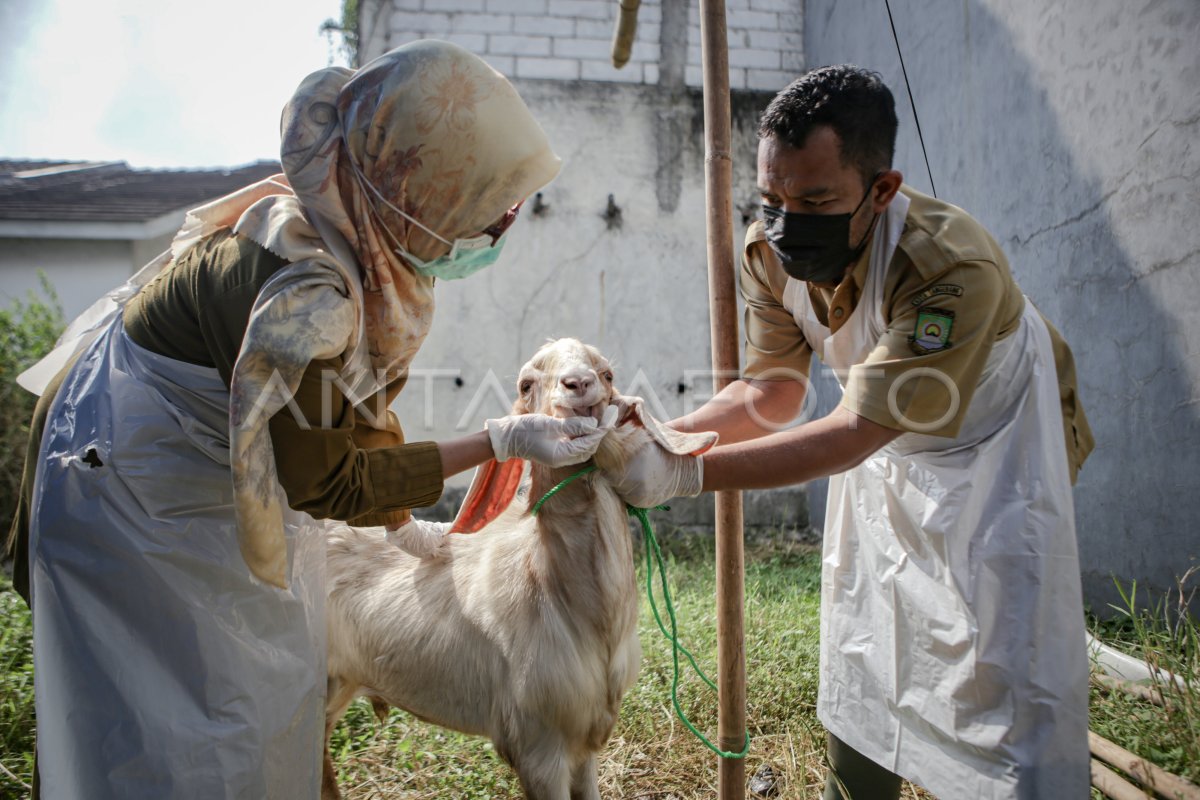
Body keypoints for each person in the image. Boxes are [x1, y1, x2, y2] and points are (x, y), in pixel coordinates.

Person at [6, 40, 607, 799]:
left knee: (259, 685)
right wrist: (497, 439)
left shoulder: (351, 239)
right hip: (127, 492)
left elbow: (345, 412)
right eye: (485, 210)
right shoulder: (310, 291)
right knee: (170, 724)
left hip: (178, 473)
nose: (494, 233)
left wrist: (402, 524)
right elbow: (327, 479)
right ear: (413, 190)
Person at [610, 65, 1095, 799]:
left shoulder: (945, 266)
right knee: (866, 643)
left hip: (998, 457)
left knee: (1005, 668)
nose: (785, 221)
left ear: (882, 190)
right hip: (882, 442)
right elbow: (773, 392)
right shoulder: (765, 254)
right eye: (771, 196)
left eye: (814, 200)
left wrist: (687, 475)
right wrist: (663, 436)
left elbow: (852, 430)